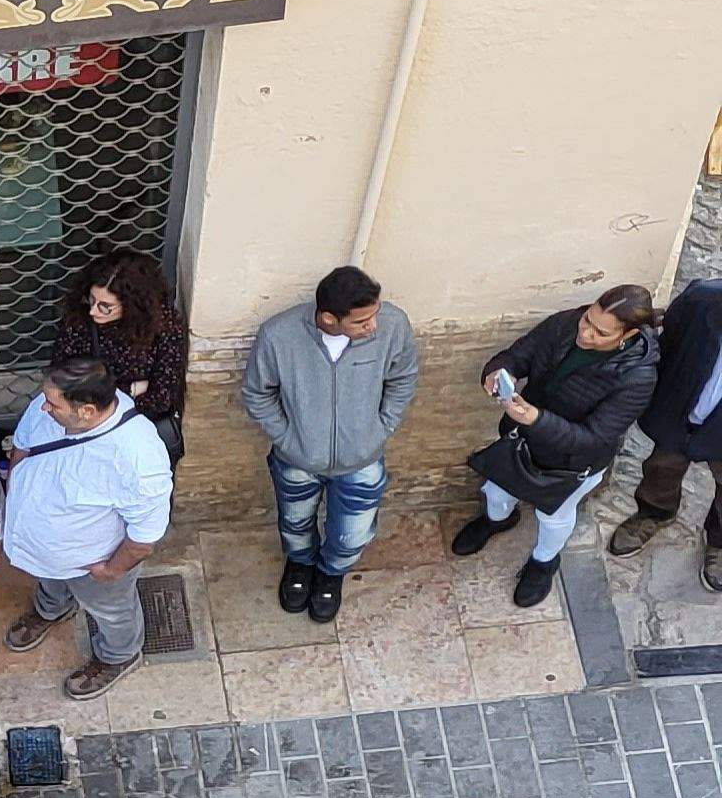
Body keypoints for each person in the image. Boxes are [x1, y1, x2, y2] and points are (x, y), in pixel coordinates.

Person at [457, 286, 665, 609]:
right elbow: (522, 353)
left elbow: (593, 438)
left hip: (572, 463)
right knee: (497, 491)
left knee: (553, 515)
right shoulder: (567, 323)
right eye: (587, 320)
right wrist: (499, 370)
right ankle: (497, 521)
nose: (585, 333)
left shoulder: (638, 377)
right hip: (520, 438)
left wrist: (535, 419)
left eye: (600, 332)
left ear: (629, 335)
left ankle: (544, 562)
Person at [241, 264, 421, 625]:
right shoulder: (279, 336)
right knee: (294, 523)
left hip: (362, 460)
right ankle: (300, 566)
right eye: (361, 322)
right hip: (297, 460)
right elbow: (257, 393)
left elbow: (403, 378)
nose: (374, 326)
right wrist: (288, 439)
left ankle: (331, 574)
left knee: (353, 534)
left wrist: (379, 429)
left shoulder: (392, 325)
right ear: (328, 318)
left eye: (374, 315)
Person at [0, 355, 178, 697]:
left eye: (53, 404)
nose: (43, 408)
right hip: (43, 548)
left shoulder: (139, 459)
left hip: (92, 562)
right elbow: (22, 446)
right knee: (50, 578)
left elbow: (143, 539)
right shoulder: (48, 405)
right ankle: (54, 607)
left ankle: (118, 655)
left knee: (112, 610)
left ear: (87, 412)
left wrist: (110, 571)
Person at [609, 278, 722, 589]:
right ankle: (655, 513)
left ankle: (720, 541)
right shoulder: (701, 301)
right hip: (681, 413)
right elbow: (667, 344)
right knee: (661, 468)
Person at [54, 249, 192, 464]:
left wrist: (100, 395)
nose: (93, 311)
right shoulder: (79, 320)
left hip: (139, 437)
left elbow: (161, 398)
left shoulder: (165, 325)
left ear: (133, 305)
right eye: (91, 299)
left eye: (105, 307)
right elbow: (63, 383)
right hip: (87, 436)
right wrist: (134, 389)